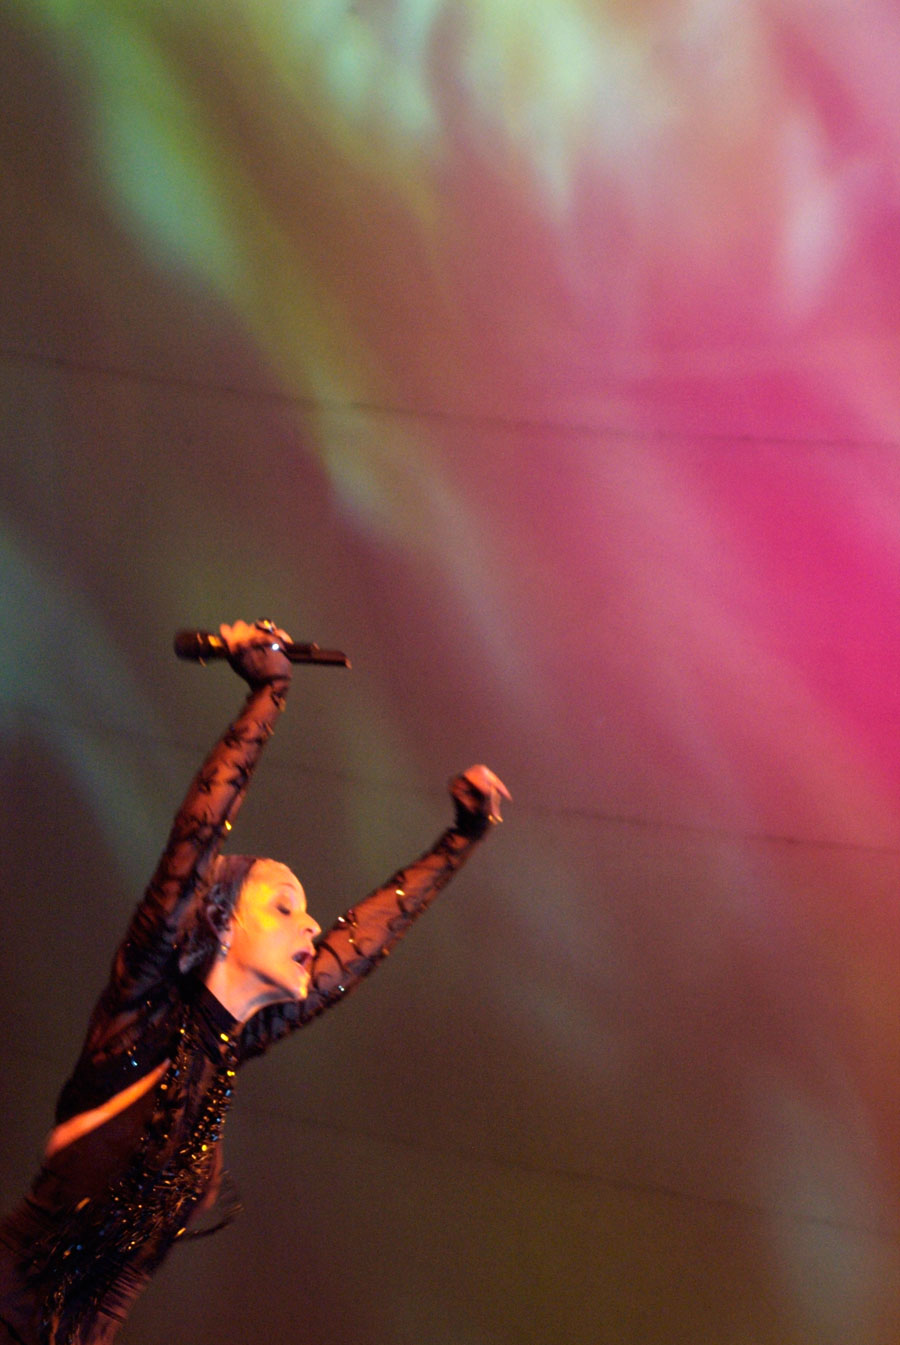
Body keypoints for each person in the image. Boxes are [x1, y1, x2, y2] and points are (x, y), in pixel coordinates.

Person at [0, 619, 510, 1345]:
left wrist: (459, 839)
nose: (312, 928)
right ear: (218, 924)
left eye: (308, 915)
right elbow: (196, 838)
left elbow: (365, 938)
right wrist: (267, 693)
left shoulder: (233, 1045)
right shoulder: (139, 1009)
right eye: (283, 907)